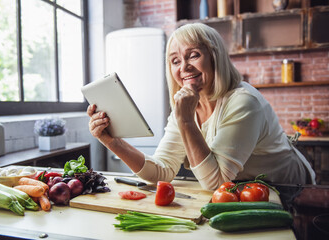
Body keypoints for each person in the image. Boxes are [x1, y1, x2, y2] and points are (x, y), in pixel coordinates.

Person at [87, 23, 315, 190]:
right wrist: (112, 141)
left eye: (193, 55)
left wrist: (186, 121)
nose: (184, 67)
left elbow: (215, 182)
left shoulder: (243, 101)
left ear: (215, 57)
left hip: (289, 189)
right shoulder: (185, 106)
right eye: (175, 61)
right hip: (246, 190)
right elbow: (161, 171)